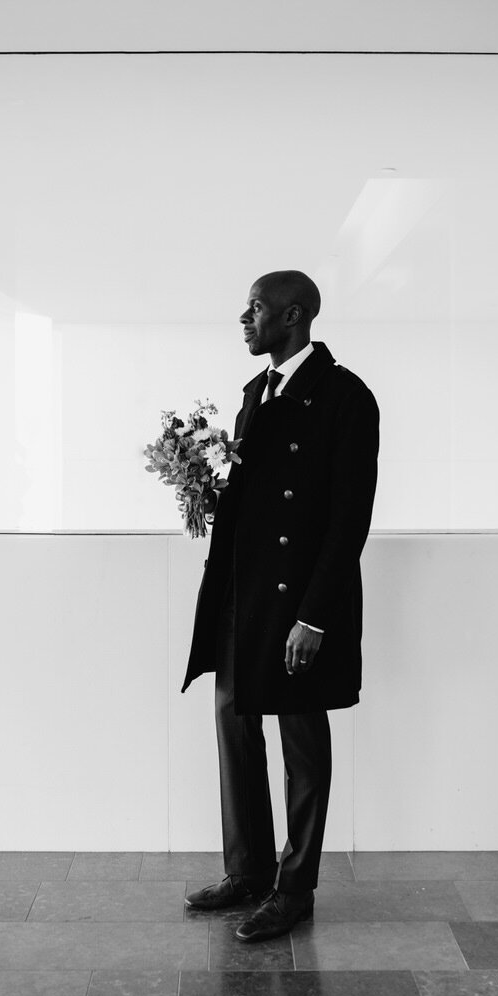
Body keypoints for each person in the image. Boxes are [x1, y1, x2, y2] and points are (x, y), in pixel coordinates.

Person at [181, 269, 379, 942]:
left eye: (256, 308)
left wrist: (314, 617)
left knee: (301, 741)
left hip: (298, 605)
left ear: (292, 317)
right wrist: (204, 491)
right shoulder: (253, 393)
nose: (245, 318)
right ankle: (249, 872)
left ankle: (295, 888)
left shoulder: (346, 397)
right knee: (234, 726)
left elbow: (348, 519)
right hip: (243, 596)